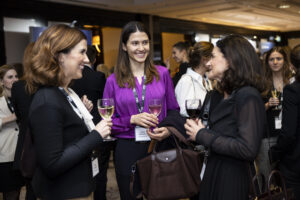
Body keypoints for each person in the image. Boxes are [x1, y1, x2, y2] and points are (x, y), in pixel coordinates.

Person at [154, 35, 266, 200]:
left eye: (213, 57)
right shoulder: (217, 95)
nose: (208, 63)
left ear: (231, 60)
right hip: (212, 169)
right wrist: (197, 131)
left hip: (232, 177)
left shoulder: (248, 96)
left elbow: (248, 149)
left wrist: (202, 134)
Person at [25, 24, 112, 199]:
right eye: (81, 52)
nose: (87, 60)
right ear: (60, 56)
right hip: (63, 193)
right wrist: (96, 135)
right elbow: (52, 164)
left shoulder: (66, 92)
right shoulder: (47, 99)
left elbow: (68, 134)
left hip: (77, 188)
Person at [103, 21, 179, 200]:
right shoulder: (112, 81)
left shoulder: (162, 74)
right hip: (127, 149)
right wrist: (131, 119)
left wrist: (168, 130)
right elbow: (107, 123)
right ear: (124, 46)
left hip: (158, 145)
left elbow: (174, 111)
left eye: (145, 42)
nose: (141, 48)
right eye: (135, 43)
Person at [71, 45, 110, 200]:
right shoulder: (98, 77)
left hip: (76, 132)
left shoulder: (70, 79)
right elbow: (106, 103)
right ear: (94, 60)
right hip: (97, 129)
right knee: (100, 172)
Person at [256, 46, 292, 191]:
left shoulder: (291, 81)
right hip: (267, 135)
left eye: (279, 58)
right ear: (267, 62)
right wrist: (266, 104)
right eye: (272, 59)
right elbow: (254, 110)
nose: (275, 62)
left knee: (287, 175)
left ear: (285, 60)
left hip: (288, 135)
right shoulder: (262, 83)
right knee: (265, 175)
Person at [270, 44, 300, 199]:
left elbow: (288, 133)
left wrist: (276, 152)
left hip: (295, 161)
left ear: (292, 65)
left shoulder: (293, 89)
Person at [11, 42, 36, 200]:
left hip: (26, 146)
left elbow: (19, 117)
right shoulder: (51, 86)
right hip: (42, 145)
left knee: (31, 191)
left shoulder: (17, 87)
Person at [0, 64, 24, 200]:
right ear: (2, 81)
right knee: (9, 194)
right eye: (10, 77)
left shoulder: (22, 98)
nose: (15, 79)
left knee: (17, 192)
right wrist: (12, 117)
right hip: (4, 155)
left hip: (20, 153)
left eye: (16, 76)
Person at [175, 41, 213, 117]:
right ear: (204, 59)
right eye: (213, 57)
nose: (214, 61)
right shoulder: (187, 80)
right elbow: (183, 111)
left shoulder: (206, 80)